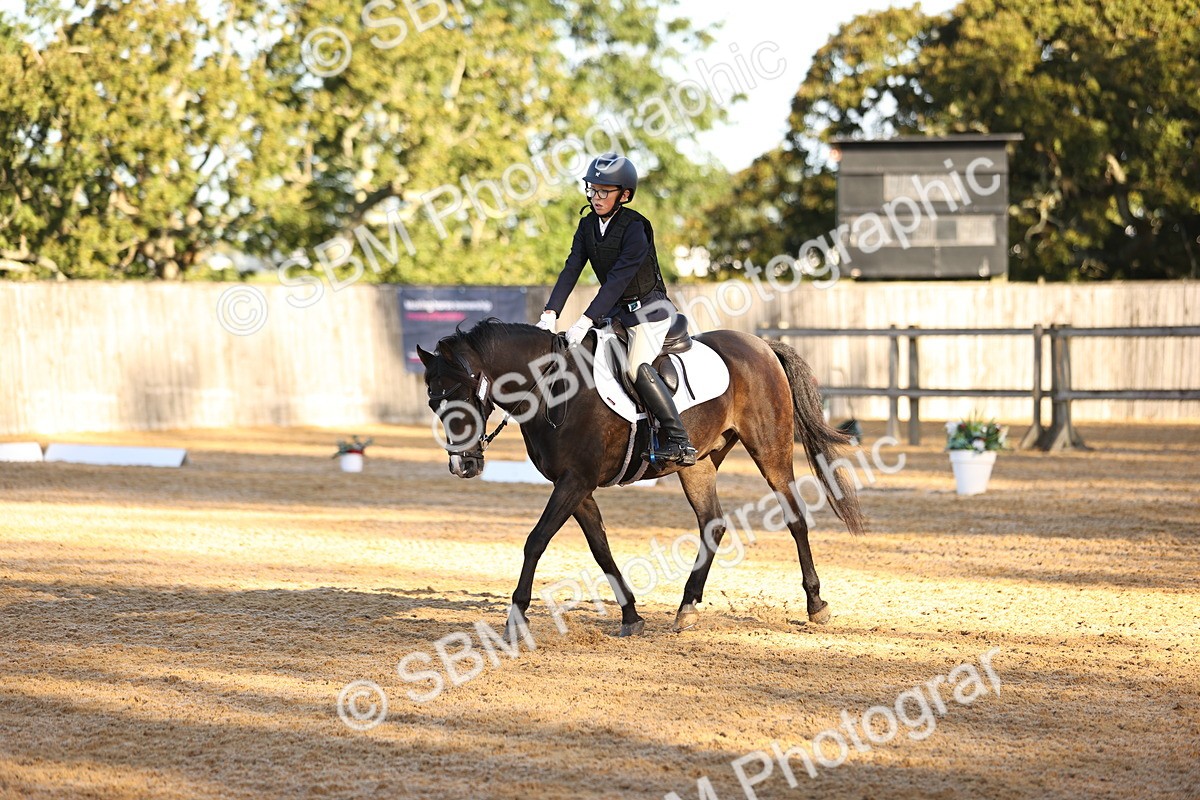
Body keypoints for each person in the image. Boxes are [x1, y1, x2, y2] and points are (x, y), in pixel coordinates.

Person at [536, 152, 698, 467]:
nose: (595, 197)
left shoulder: (636, 227)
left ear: (624, 195)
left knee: (635, 366)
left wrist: (585, 319)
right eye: (592, 189)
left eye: (603, 191)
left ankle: (679, 440)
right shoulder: (587, 225)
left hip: (649, 312)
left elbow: (618, 280)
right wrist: (550, 313)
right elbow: (572, 269)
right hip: (616, 315)